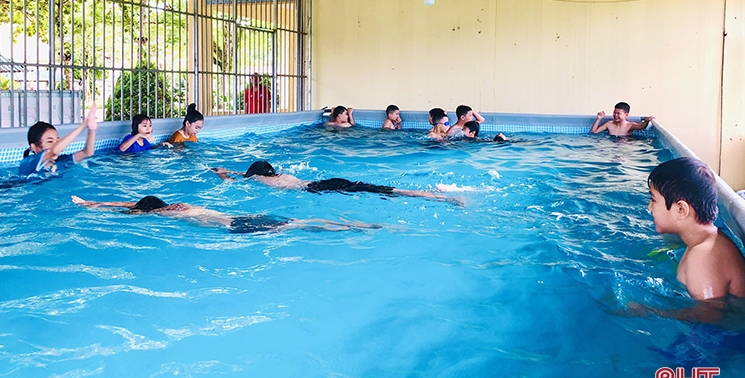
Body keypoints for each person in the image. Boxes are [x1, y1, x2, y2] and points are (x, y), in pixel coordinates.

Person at [647, 158, 745, 302]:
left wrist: (649, 311)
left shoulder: (703, 256)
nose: (649, 207)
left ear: (681, 209)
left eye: (653, 200)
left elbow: (711, 317)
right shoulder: (701, 241)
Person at [72, 195, 378, 233]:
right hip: (242, 215)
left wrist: (92, 207)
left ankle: (349, 228)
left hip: (236, 225)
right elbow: (130, 203)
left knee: (300, 229)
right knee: (300, 223)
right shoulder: (179, 205)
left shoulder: (166, 216)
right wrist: (93, 204)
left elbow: (129, 207)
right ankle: (352, 225)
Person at [211, 160, 462, 205]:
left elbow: (236, 182)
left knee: (378, 192)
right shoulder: (279, 175)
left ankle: (444, 198)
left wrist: (223, 174)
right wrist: (230, 169)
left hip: (319, 189)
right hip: (326, 181)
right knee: (377, 189)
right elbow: (250, 173)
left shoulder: (260, 180)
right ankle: (438, 195)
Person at [19, 104, 98, 176]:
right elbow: (53, 151)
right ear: (34, 147)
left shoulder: (61, 161)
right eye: (50, 141)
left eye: (57, 141)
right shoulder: (29, 162)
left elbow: (87, 153)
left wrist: (91, 129)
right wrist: (83, 125)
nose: (56, 144)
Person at [590, 102, 655, 136]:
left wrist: (646, 121)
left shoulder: (630, 125)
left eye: (618, 113)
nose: (615, 115)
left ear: (626, 115)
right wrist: (598, 119)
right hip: (611, 146)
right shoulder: (609, 124)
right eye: (614, 112)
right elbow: (594, 132)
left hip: (624, 146)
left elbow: (641, 127)